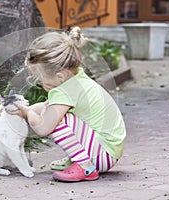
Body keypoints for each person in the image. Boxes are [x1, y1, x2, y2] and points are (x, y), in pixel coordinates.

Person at [8, 26, 126, 182]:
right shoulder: (76, 80)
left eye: (40, 79)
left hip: (103, 154)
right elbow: (47, 104)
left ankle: (85, 166)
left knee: (53, 119)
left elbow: (44, 128)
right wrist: (25, 110)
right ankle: (80, 157)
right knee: (52, 111)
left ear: (60, 76)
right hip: (108, 149)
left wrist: (29, 114)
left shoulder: (65, 91)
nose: (38, 83)